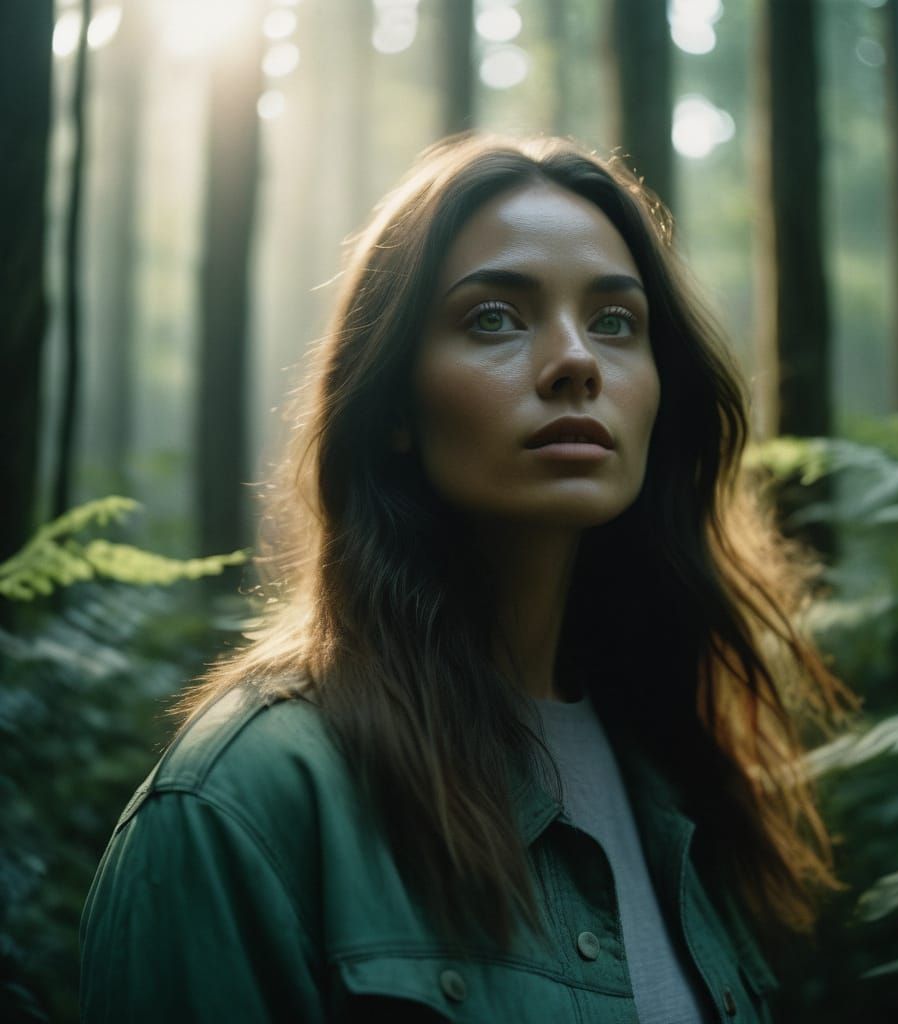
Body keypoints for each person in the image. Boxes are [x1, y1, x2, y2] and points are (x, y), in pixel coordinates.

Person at [80, 133, 854, 1022]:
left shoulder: (680, 766)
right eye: (494, 317)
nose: (577, 361)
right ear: (394, 405)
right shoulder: (243, 806)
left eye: (615, 321)